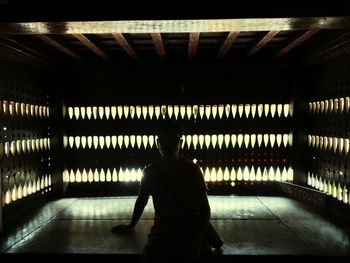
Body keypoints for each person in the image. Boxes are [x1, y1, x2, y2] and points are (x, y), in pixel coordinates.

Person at [111, 119, 215, 263]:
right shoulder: (190, 170)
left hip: (176, 232)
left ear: (181, 143)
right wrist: (131, 225)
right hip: (170, 232)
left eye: (173, 140)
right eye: (165, 140)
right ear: (157, 143)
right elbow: (141, 200)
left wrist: (197, 242)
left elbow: (205, 210)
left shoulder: (189, 171)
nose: (169, 145)